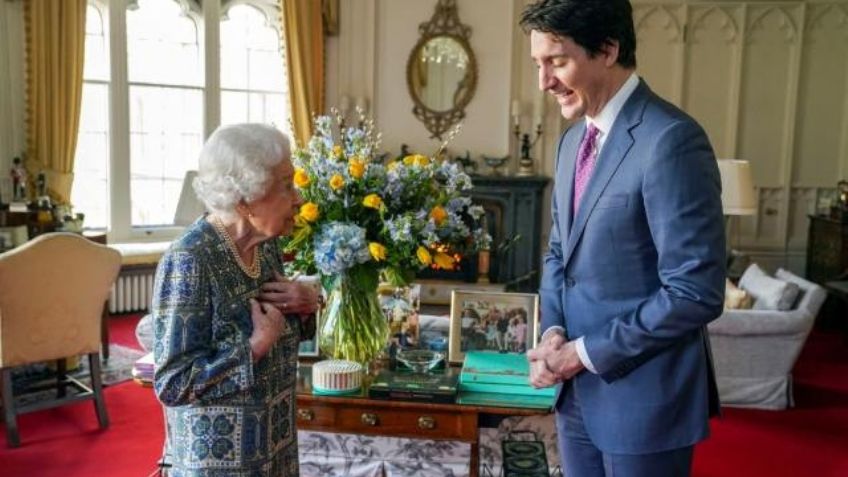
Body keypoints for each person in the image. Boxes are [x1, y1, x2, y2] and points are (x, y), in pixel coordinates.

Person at [520, 1, 726, 476]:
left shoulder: (672, 140)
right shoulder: (572, 142)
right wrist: (553, 336)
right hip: (574, 398)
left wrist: (582, 353)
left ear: (608, 49)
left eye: (557, 61)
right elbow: (558, 255)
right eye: (538, 64)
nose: (544, 82)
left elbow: (695, 291)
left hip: (645, 403)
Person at [152, 123, 319, 477]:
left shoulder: (266, 244)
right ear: (245, 199)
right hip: (220, 465)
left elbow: (283, 332)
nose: (299, 198)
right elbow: (172, 384)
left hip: (276, 448)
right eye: (286, 186)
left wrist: (305, 307)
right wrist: (254, 346)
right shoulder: (191, 259)